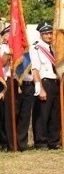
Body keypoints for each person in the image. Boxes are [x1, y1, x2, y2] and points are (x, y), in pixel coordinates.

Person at [30, 21, 61, 150]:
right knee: (42, 113)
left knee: (55, 113)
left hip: (55, 82)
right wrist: (40, 88)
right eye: (46, 33)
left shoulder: (54, 48)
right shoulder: (36, 47)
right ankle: (41, 141)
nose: (49, 36)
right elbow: (35, 69)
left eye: (50, 33)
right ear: (40, 34)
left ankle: (54, 140)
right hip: (45, 82)